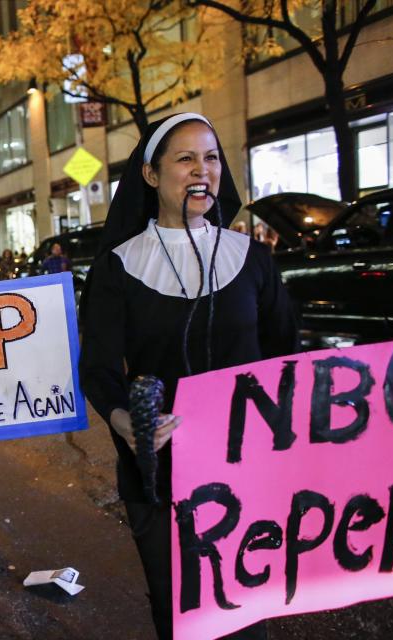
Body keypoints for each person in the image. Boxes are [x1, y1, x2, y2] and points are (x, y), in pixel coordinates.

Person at [79, 113, 299, 640]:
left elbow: (283, 355)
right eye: (185, 158)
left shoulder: (253, 259)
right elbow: (100, 368)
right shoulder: (118, 268)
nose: (202, 170)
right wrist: (124, 420)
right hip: (159, 474)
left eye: (211, 157)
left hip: (247, 466)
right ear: (151, 176)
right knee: (184, 616)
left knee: (248, 611)